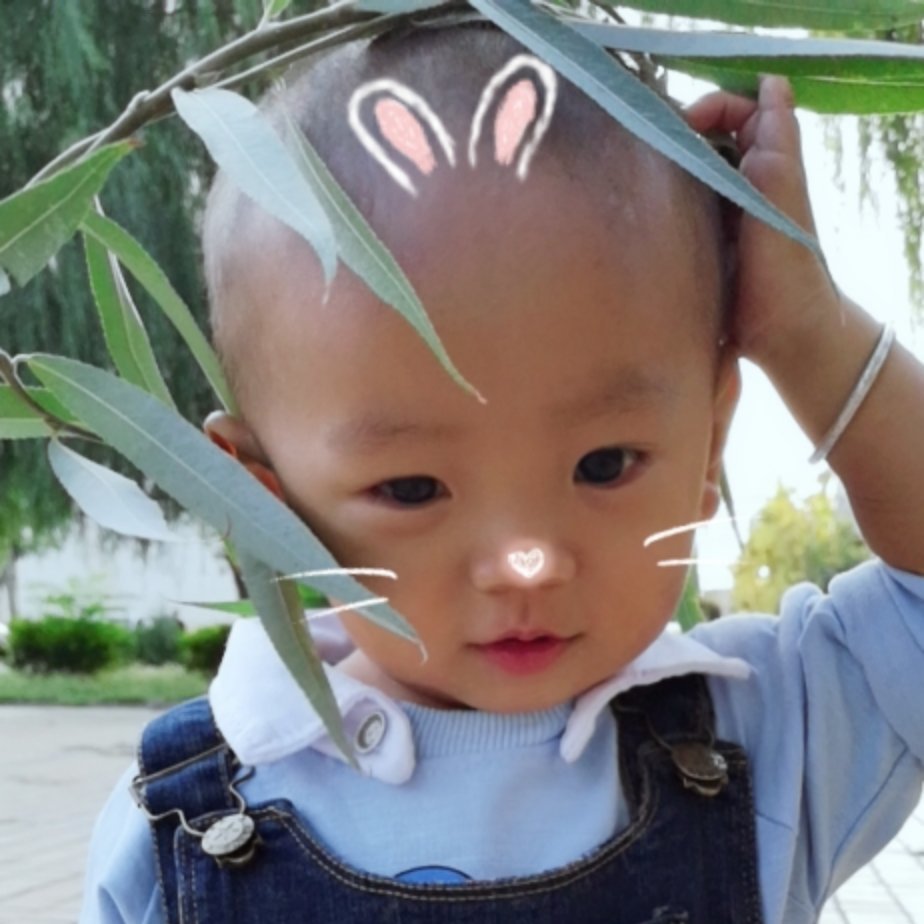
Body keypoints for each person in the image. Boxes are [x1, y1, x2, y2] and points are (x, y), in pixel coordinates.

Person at [78, 17, 924, 924]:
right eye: (413, 489)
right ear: (262, 502)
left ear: (708, 445)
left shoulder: (770, 729)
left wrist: (809, 333)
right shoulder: (183, 831)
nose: (528, 563)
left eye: (604, 465)